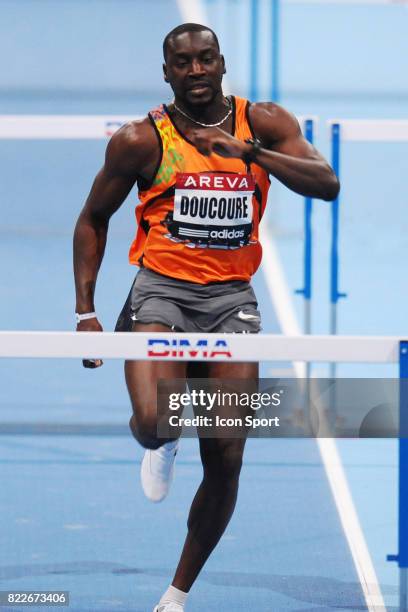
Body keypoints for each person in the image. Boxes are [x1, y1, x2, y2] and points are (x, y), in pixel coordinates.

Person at [73, 22, 339, 612]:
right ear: (165, 72)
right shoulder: (141, 140)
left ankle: (176, 593)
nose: (195, 71)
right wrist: (85, 312)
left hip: (230, 301)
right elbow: (93, 218)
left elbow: (327, 184)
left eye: (205, 60)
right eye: (182, 63)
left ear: (222, 65)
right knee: (155, 421)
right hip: (162, 293)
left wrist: (250, 154)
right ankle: (161, 436)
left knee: (227, 455)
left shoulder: (262, 123)